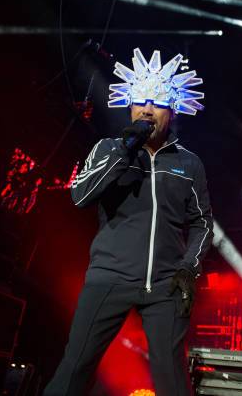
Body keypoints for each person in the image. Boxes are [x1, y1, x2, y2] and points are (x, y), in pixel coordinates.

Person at [44, 48, 213, 396]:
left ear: (173, 108)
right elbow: (81, 195)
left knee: (174, 384)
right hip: (110, 276)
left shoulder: (189, 164)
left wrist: (188, 269)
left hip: (166, 285)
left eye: (157, 102)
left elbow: (202, 223)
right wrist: (125, 150)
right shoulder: (108, 148)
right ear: (130, 105)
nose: (147, 110)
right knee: (74, 369)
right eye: (139, 101)